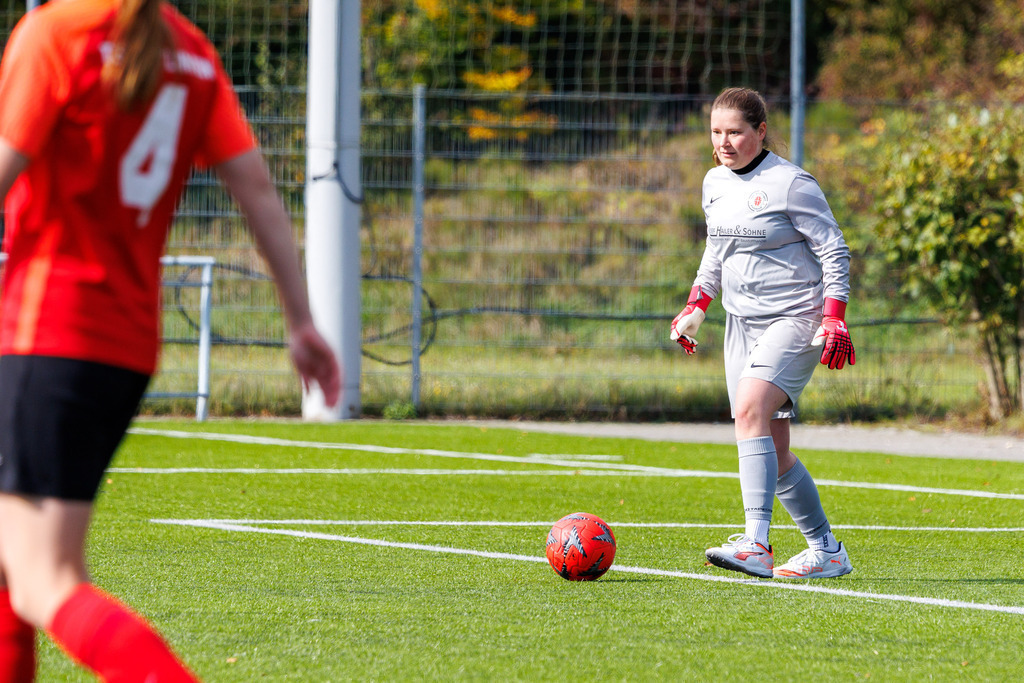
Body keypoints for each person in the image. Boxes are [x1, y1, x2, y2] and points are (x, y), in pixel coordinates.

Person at [0, 0, 342, 680]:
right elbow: (257, 190)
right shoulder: (189, 52)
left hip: (49, 330)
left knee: (44, 579)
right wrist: (300, 319)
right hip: (123, 343)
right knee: (11, 563)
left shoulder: (56, 34)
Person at [670, 87, 855, 580]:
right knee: (772, 447)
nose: (723, 142)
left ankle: (755, 544)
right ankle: (827, 550)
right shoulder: (714, 182)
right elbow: (716, 250)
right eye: (716, 132)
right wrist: (697, 304)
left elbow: (834, 251)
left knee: (750, 410)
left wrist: (835, 316)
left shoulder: (791, 183)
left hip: (795, 319)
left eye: (735, 132)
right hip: (741, 323)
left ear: (761, 131)